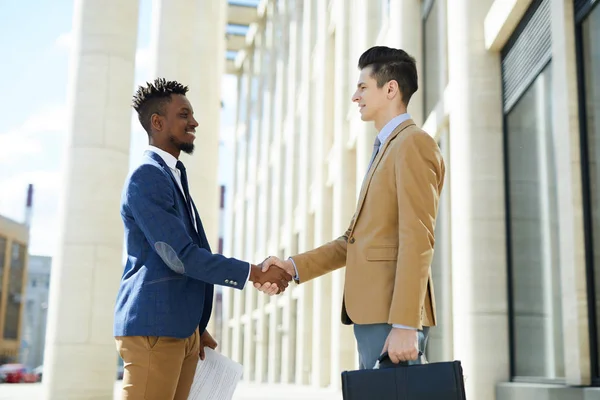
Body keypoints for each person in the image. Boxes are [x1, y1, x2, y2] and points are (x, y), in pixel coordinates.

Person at [257, 46, 446, 369]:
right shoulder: (386, 148)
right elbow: (353, 241)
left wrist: (405, 324)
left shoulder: (412, 143)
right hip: (374, 314)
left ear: (390, 89)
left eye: (362, 87)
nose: (355, 97)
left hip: (391, 317)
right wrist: (292, 266)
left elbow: (418, 237)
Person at [114, 78, 292, 400]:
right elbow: (181, 256)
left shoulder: (172, 174)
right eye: (183, 114)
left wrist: (194, 324)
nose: (194, 122)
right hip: (156, 329)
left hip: (180, 330)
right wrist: (254, 271)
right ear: (157, 122)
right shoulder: (147, 176)